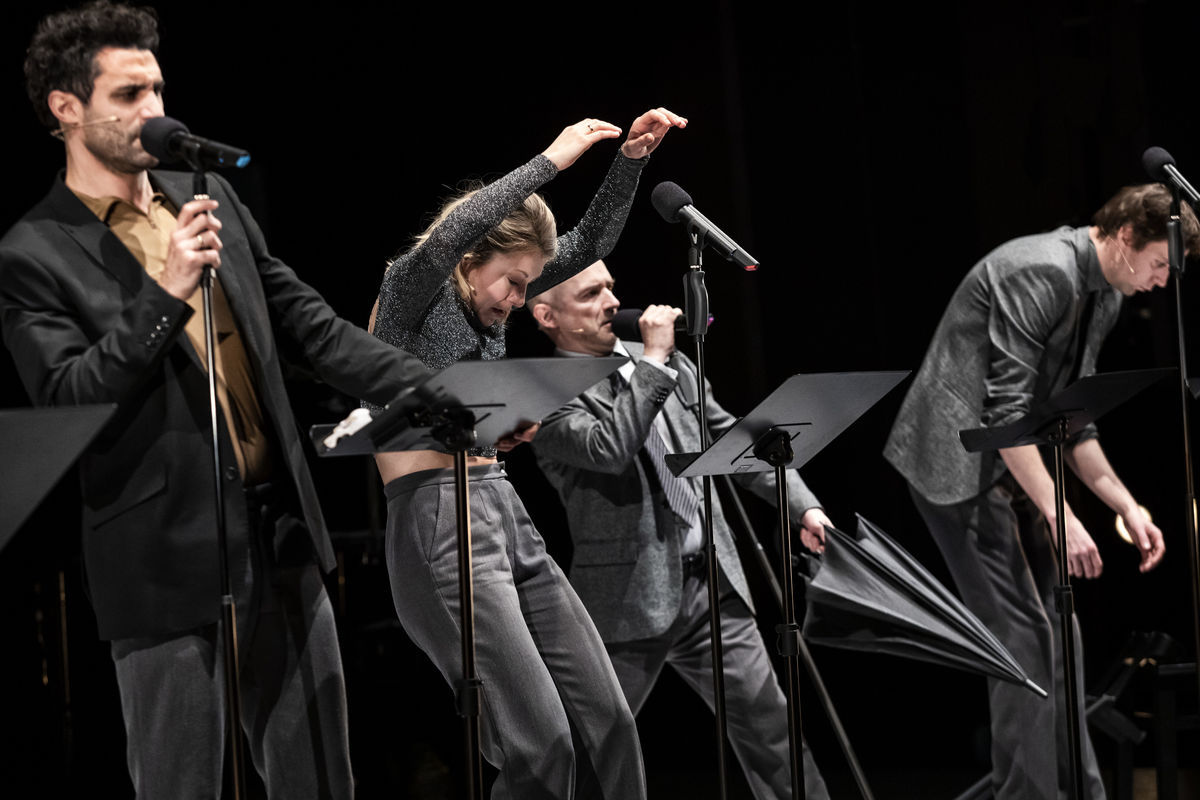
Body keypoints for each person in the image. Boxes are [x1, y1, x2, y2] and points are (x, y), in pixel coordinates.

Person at [0, 3, 432, 797]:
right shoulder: (34, 251)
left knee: (322, 781)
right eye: (128, 94)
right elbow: (68, 396)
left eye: (157, 88)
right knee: (181, 785)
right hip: (165, 562)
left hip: (280, 536)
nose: (155, 112)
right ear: (66, 108)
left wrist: (436, 389)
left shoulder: (210, 204)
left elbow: (312, 327)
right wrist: (165, 290)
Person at [368, 108, 686, 798]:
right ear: (469, 260)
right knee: (539, 747)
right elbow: (452, 227)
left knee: (608, 724)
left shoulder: (492, 301)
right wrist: (555, 158)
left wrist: (629, 161)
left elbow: (592, 239)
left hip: (503, 508)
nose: (519, 300)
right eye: (513, 282)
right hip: (438, 523)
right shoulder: (409, 292)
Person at [883, 184, 1198, 799]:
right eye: (1161, 265)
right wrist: (1063, 517)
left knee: (1061, 629)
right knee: (1022, 639)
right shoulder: (1042, 270)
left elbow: (1071, 419)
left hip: (1010, 462)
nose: (1163, 283)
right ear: (1128, 239)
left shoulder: (1104, 292)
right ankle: (1030, 794)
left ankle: (1077, 791)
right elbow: (1005, 416)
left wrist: (1126, 506)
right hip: (955, 464)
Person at [527, 259, 832, 799]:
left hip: (711, 584)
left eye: (611, 288)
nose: (612, 303)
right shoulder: (545, 395)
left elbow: (739, 442)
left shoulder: (675, 369)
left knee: (773, 733)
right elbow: (610, 447)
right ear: (547, 316)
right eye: (591, 294)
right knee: (595, 748)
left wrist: (801, 509)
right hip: (627, 599)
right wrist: (653, 362)